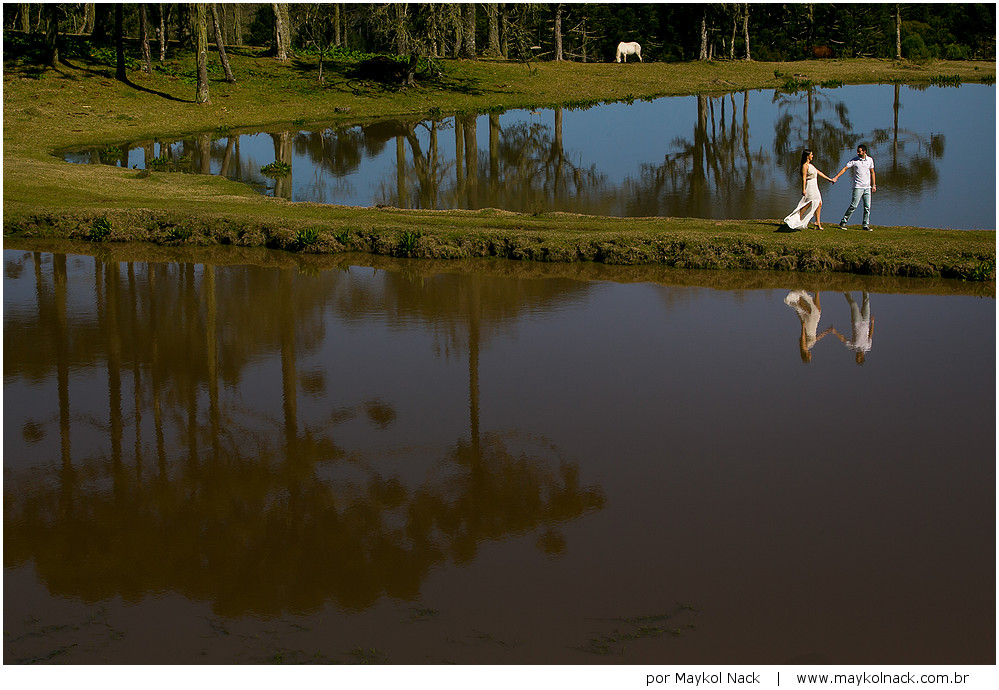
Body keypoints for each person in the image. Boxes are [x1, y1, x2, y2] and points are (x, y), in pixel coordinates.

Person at [783, 149, 836, 230]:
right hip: (810, 186)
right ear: (807, 156)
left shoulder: (811, 165)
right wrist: (803, 189)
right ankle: (797, 219)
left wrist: (829, 179)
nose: (812, 156)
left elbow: (819, 172)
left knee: (819, 203)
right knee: (807, 204)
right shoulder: (805, 166)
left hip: (815, 186)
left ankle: (817, 222)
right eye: (811, 154)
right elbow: (804, 178)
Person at [833, 144, 876, 231]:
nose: (857, 153)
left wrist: (874, 185)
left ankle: (865, 225)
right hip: (858, 187)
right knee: (854, 206)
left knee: (867, 207)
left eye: (859, 151)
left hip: (867, 187)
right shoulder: (854, 161)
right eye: (857, 151)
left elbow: (872, 172)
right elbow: (845, 169)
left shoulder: (870, 160)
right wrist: (836, 177)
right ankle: (843, 222)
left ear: (864, 152)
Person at [784, 290, 835, 363]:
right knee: (816, 311)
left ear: (807, 355)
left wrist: (802, 327)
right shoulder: (809, 346)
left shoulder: (804, 347)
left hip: (809, 329)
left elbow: (803, 339)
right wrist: (827, 331)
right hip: (811, 329)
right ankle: (815, 291)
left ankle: (806, 293)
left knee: (812, 312)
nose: (811, 356)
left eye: (810, 357)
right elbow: (816, 338)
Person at [832, 291, 874, 364]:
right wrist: (872, 323)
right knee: (866, 301)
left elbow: (843, 339)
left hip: (856, 321)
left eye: (856, 357)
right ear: (862, 357)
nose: (857, 356)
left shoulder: (853, 346)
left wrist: (835, 332)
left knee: (853, 304)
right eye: (858, 357)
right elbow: (870, 335)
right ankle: (865, 287)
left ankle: (845, 291)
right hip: (866, 321)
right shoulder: (868, 347)